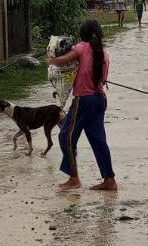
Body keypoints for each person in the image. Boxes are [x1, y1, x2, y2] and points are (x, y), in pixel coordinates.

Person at [48, 19, 117, 191]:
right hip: (99, 100)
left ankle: (74, 178)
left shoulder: (82, 48)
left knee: (66, 137)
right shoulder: (105, 55)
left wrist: (50, 58)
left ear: (83, 35)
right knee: (98, 140)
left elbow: (60, 62)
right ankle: (109, 180)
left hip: (84, 101)